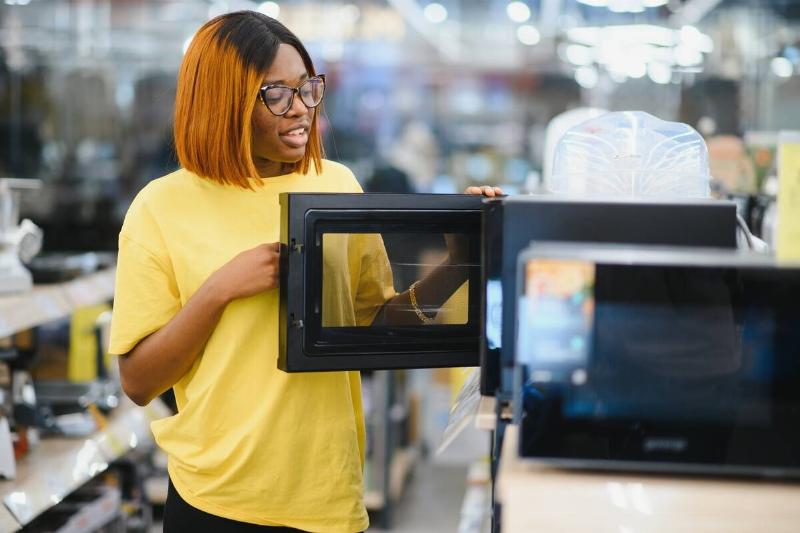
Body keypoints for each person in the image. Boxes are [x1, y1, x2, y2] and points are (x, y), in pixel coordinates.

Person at [108, 11, 501, 533]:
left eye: (308, 89)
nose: (302, 110)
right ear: (224, 101)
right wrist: (220, 290)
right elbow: (138, 381)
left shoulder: (334, 186)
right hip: (214, 498)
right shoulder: (161, 207)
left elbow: (380, 324)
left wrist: (459, 262)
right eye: (278, 94)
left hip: (326, 494)